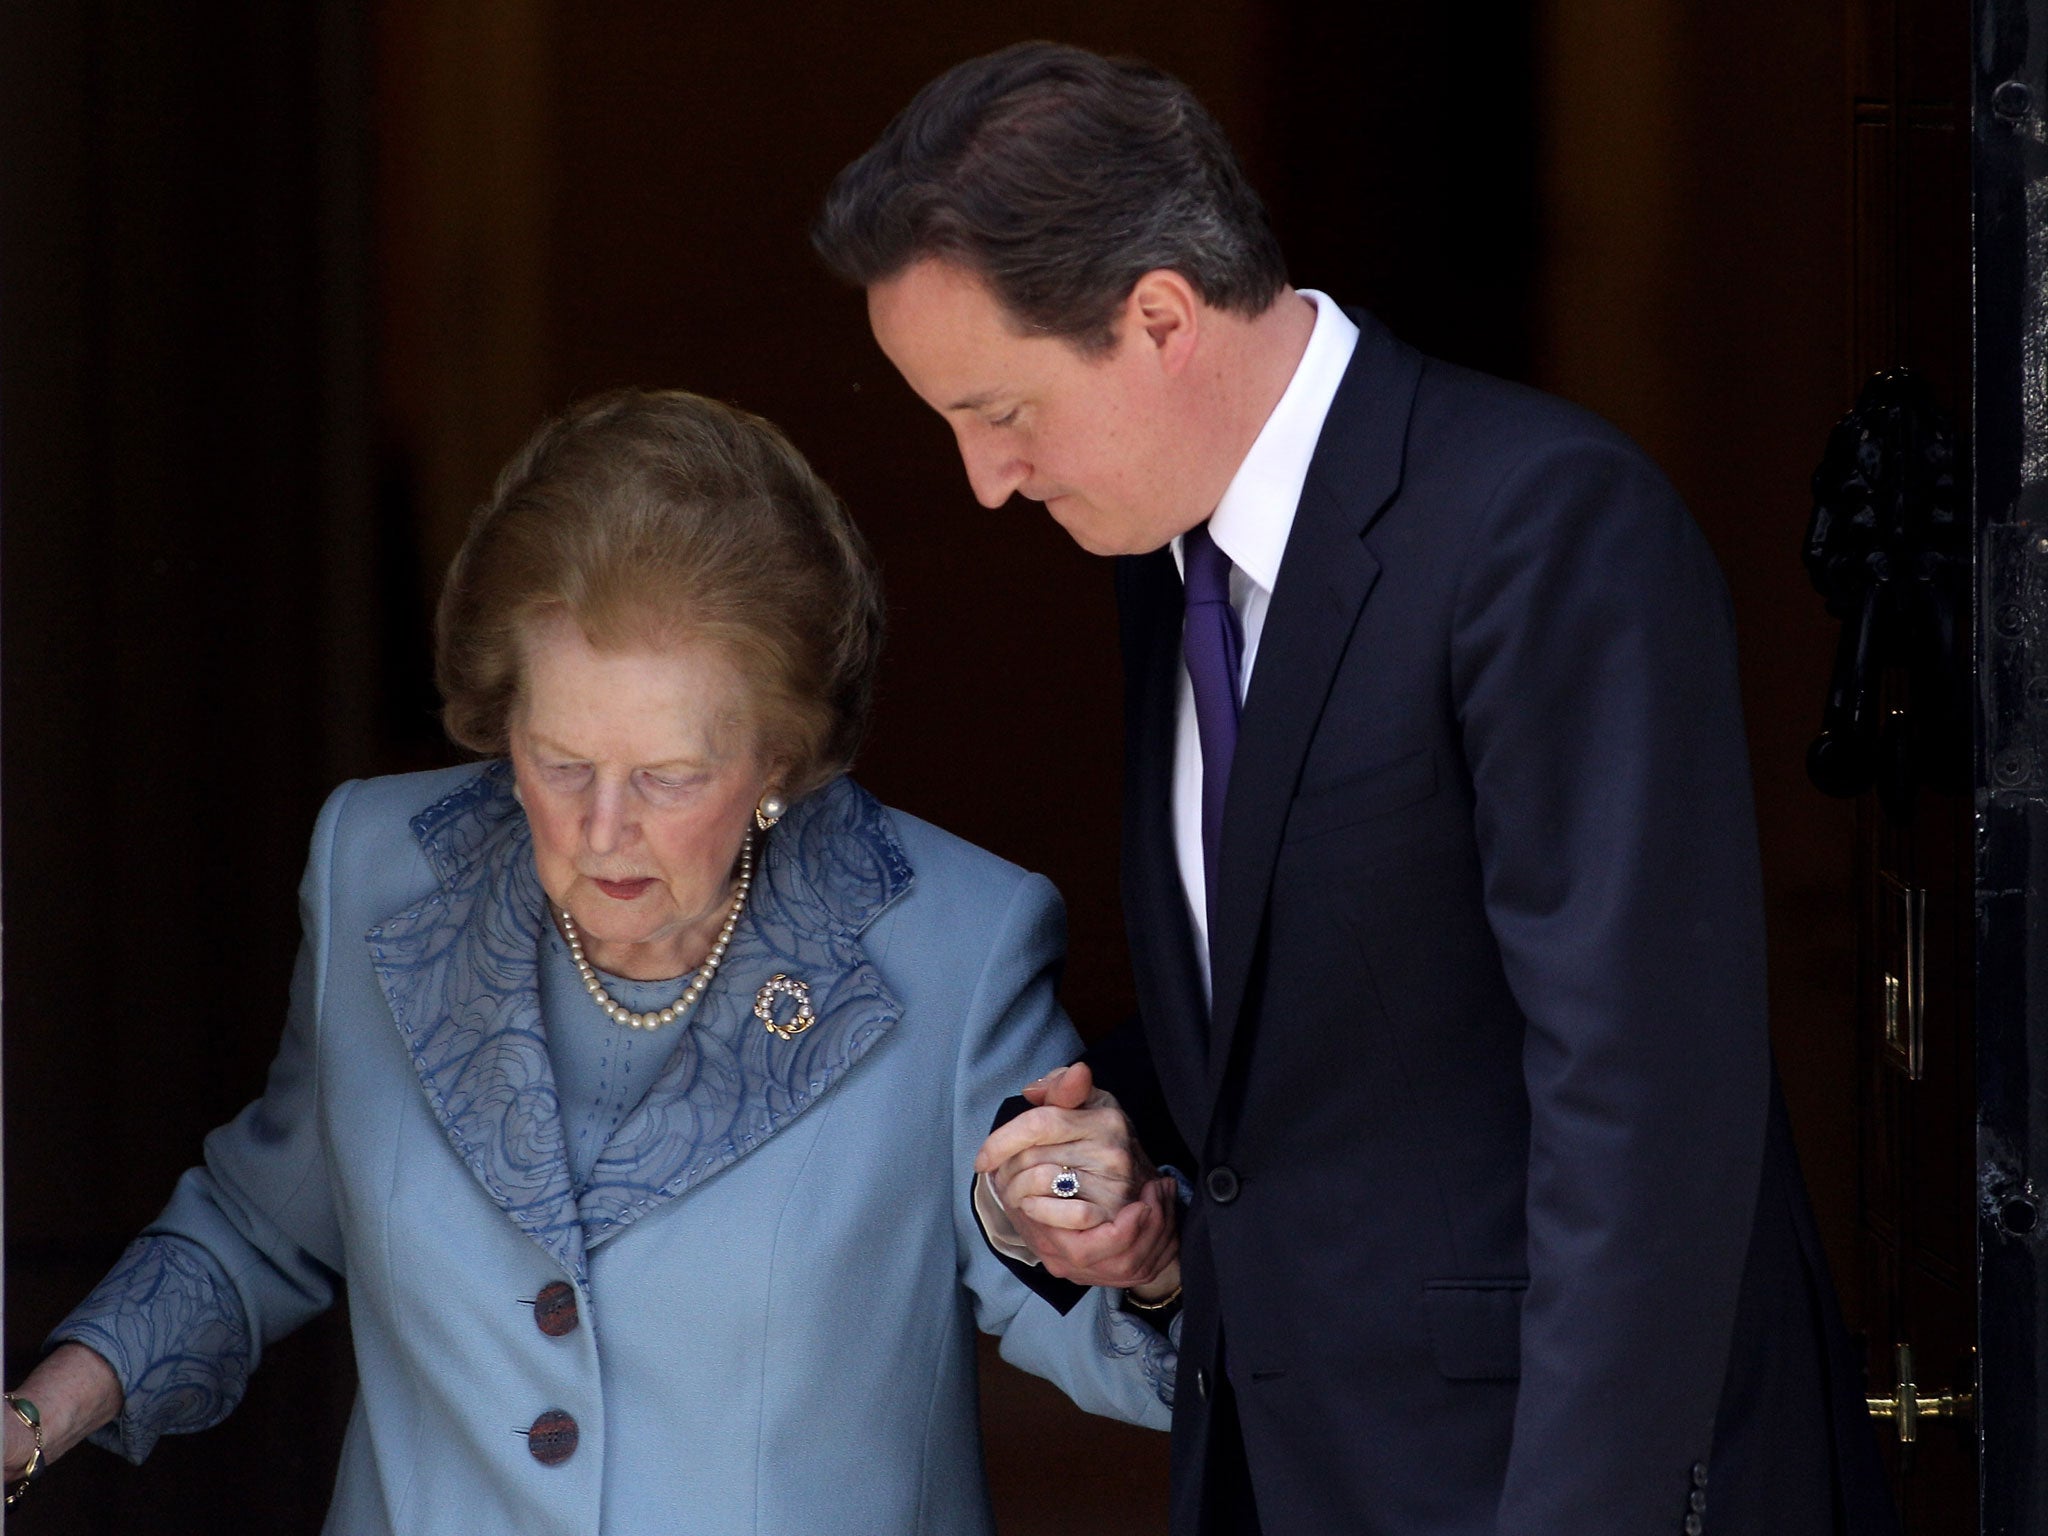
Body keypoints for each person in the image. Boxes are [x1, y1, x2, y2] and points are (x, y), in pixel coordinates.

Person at [813, 41, 1899, 1536]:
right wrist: (1107, 1154)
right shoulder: (1169, 563)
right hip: (1291, 1471)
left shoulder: (1539, 526)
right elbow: (1320, 1032)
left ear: (1158, 319)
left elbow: (1643, 1113)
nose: (985, 479)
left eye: (998, 411)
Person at [0, 389, 1177, 1533]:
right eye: (559, 761)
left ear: (780, 755)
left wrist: (1128, 1252)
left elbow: (1105, 1324)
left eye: (669, 776)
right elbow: (266, 1225)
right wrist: (33, 1420)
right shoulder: (378, 871)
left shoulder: (950, 942)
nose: (604, 826)